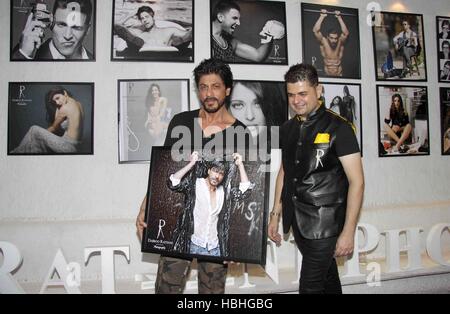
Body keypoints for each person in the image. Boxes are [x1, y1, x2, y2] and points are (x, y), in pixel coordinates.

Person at [136, 58, 251, 294]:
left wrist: (238, 244)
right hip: (178, 221)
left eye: (215, 86)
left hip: (214, 229)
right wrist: (144, 208)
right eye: (203, 87)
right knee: (166, 290)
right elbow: (165, 172)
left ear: (227, 90)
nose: (209, 93)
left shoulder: (240, 132)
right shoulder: (182, 122)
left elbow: (242, 187)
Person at [268, 63, 364, 294]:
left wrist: (348, 232)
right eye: (291, 95)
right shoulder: (287, 128)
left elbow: (357, 182)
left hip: (326, 224)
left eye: (303, 93)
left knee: (310, 286)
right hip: (298, 223)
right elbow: (285, 172)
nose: (296, 100)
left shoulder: (340, 128)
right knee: (328, 280)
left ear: (318, 90)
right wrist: (275, 215)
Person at [168, 152, 252, 257]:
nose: (217, 176)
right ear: (208, 170)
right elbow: (173, 182)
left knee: (214, 274)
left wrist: (240, 165)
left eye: (221, 173)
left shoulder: (223, 192)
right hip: (194, 246)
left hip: (215, 248)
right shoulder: (196, 184)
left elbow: (244, 190)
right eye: (215, 171)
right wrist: (191, 164)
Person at [11, 87, 84, 154]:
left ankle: (16, 152)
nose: (57, 102)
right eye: (55, 101)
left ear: (65, 93)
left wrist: (39, 135)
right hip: (76, 146)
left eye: (58, 98)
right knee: (37, 141)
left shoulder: (64, 109)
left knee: (34, 130)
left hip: (68, 146)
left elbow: (54, 128)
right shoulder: (79, 104)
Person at [12, 0, 94, 60]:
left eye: (76, 27)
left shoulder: (96, 63)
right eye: (61, 24)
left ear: (88, 29)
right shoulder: (24, 53)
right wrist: (23, 54)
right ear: (51, 23)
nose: (67, 35)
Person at [211, 0, 285, 63]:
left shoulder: (231, 42)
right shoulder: (202, 39)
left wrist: (270, 33)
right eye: (234, 18)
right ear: (220, 17)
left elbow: (258, 56)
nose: (238, 23)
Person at [114, 6, 192, 54]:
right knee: (137, 40)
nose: (144, 20)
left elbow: (186, 35)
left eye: (146, 16)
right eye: (142, 18)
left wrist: (190, 33)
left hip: (168, 57)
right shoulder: (139, 34)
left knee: (179, 39)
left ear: (152, 16)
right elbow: (117, 27)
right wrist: (129, 15)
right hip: (140, 51)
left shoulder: (169, 30)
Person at [312, 9, 349, 76]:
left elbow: (345, 33)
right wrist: (322, 16)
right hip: (327, 75)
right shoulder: (323, 41)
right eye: (331, 38)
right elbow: (315, 31)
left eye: (335, 38)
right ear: (327, 37)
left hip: (339, 75)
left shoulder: (340, 42)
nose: (334, 40)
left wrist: (339, 17)